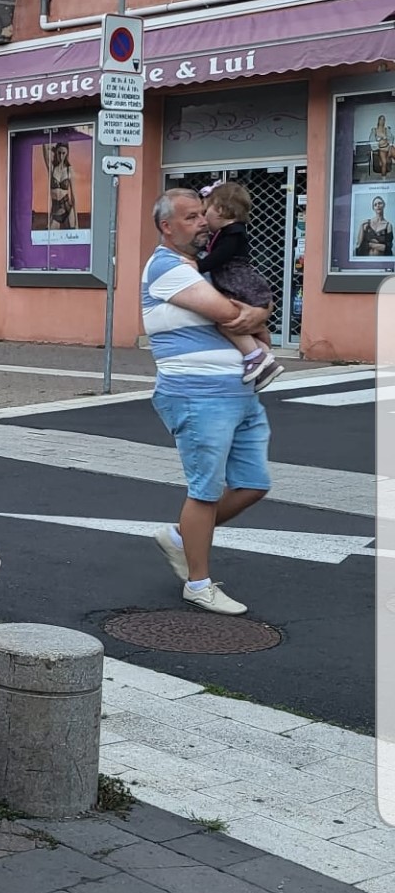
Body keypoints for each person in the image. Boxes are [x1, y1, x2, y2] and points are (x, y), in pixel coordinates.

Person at [143, 189, 272, 616]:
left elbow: (248, 310)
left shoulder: (200, 267)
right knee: (206, 491)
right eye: (192, 217)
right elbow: (226, 312)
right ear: (167, 226)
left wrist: (260, 311)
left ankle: (183, 536)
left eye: (203, 215)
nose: (203, 222)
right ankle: (198, 584)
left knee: (254, 484)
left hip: (241, 392)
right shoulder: (166, 268)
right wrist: (258, 313)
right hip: (197, 396)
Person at [197, 182, 282, 389]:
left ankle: (254, 356)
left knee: (227, 322)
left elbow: (219, 257)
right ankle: (265, 358)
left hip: (238, 282)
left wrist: (197, 265)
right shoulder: (228, 232)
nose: (203, 218)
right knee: (240, 327)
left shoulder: (233, 233)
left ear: (221, 210)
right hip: (237, 281)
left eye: (205, 211)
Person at [42, 141, 77, 231]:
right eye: (59, 153)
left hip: (67, 209)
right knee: (48, 235)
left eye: (63, 153)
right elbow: (45, 147)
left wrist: (77, 222)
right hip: (55, 210)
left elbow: (73, 196)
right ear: (56, 152)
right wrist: (54, 148)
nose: (61, 156)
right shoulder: (52, 168)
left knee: (72, 237)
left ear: (67, 153)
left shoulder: (69, 170)